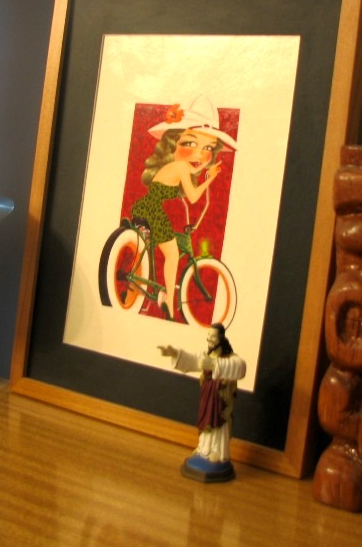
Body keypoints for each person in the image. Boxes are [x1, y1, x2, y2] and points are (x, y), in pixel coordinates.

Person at [131, 95, 236, 319]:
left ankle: (152, 291)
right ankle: (169, 302)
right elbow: (194, 196)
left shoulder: (178, 165)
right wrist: (210, 178)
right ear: (172, 142)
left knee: (160, 248)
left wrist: (205, 167)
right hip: (153, 211)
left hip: (145, 207)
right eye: (190, 143)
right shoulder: (180, 167)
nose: (199, 154)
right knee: (173, 254)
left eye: (208, 147)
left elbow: (191, 170)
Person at [158, 323, 246, 482]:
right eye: (208, 336)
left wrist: (214, 365)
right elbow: (194, 360)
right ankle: (204, 450)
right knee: (206, 424)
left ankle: (218, 453)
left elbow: (240, 367)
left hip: (221, 404)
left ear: (221, 338)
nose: (209, 339)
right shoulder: (207, 355)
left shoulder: (230, 358)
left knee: (218, 427)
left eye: (213, 336)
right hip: (207, 400)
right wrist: (174, 353)